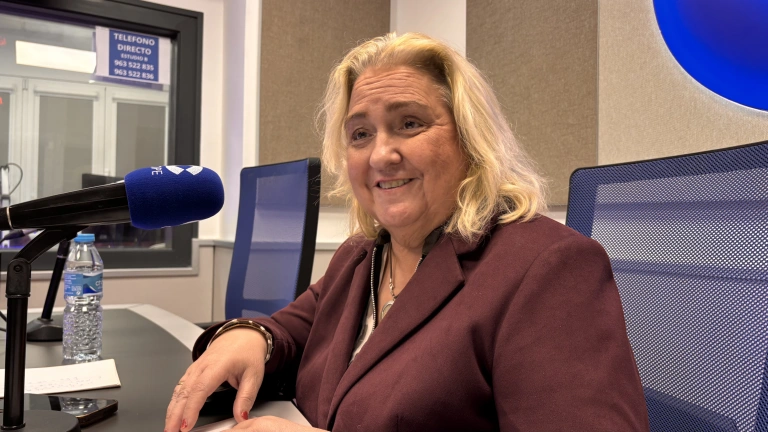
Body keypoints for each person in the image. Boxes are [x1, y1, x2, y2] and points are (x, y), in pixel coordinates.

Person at [165, 32, 650, 432]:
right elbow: (294, 330)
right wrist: (251, 337)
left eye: (409, 123)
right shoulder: (362, 256)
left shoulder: (548, 268)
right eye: (360, 134)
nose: (381, 155)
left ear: (469, 139)